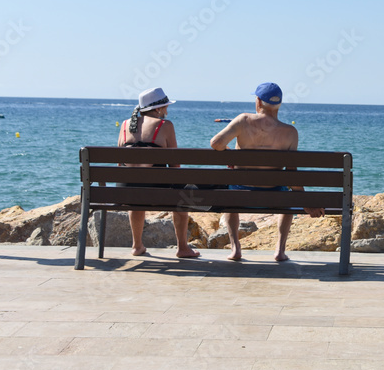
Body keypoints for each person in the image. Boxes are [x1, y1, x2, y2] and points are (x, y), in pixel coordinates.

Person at [210, 82, 324, 262]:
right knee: (287, 201)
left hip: (239, 194)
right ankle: (279, 251)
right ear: (279, 105)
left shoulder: (243, 120)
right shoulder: (290, 132)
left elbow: (216, 144)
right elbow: (292, 175)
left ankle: (235, 249)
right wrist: (305, 201)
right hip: (275, 195)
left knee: (230, 193)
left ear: (258, 101)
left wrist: (232, 157)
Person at [118, 87, 199, 259]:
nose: (167, 111)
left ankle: (137, 245)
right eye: (166, 107)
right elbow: (175, 165)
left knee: (136, 189)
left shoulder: (125, 125)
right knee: (182, 196)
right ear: (158, 109)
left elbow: (120, 164)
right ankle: (183, 248)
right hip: (156, 192)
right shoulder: (165, 126)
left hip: (126, 193)